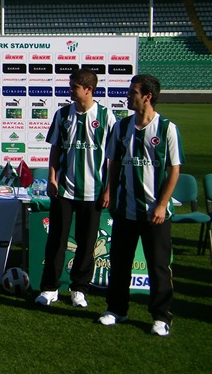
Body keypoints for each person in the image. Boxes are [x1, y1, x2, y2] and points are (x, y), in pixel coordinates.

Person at [98, 74, 183, 337]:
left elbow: (174, 170)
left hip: (155, 212)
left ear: (147, 96)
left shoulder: (167, 128)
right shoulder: (121, 127)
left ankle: (161, 316)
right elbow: (113, 163)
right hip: (125, 209)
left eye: (133, 92)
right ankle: (116, 309)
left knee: (158, 266)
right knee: (119, 262)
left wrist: (162, 204)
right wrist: (111, 193)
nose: (128, 95)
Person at [35, 68, 116, 308]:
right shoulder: (62, 114)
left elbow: (113, 158)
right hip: (64, 190)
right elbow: (55, 148)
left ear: (88, 89)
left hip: (93, 191)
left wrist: (109, 190)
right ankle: (49, 288)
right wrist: (52, 177)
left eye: (74, 87)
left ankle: (79, 288)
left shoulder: (106, 116)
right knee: (56, 241)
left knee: (87, 244)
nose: (70, 90)